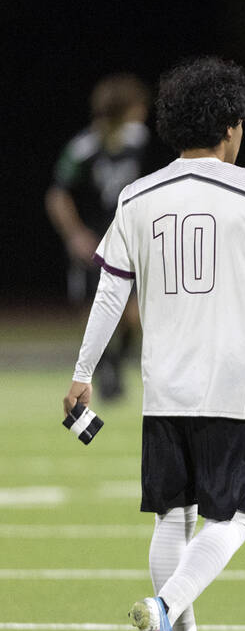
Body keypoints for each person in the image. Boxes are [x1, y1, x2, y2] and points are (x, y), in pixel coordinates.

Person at [61, 56, 245, 631]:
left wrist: (83, 371)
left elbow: (109, 292)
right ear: (230, 126)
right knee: (234, 517)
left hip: (164, 384)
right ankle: (165, 611)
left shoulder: (137, 196)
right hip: (230, 382)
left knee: (173, 516)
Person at [46, 74, 155, 400]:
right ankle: (105, 369)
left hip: (127, 239)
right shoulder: (84, 148)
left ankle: (115, 365)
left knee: (134, 314)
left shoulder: (139, 140)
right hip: (94, 242)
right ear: (125, 110)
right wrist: (76, 234)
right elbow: (57, 194)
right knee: (94, 312)